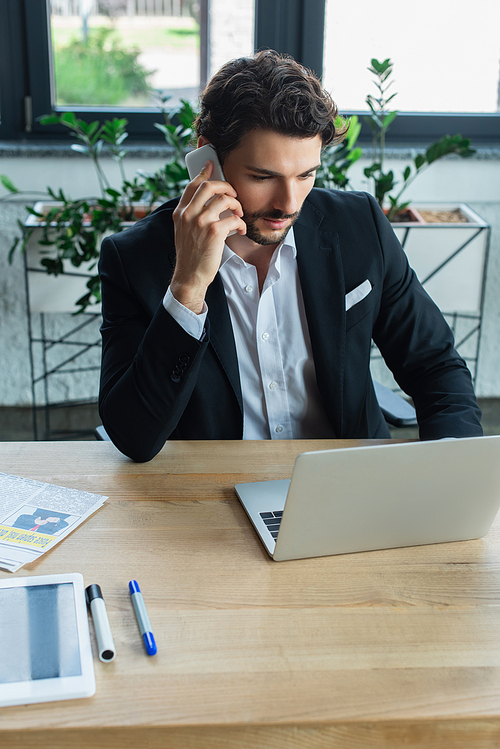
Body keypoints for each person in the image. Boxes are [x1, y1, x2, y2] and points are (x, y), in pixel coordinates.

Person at [98, 50, 482, 462]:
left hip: (348, 481)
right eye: (264, 177)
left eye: (306, 175)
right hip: (214, 491)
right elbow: (133, 437)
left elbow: (435, 364)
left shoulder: (359, 226)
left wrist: (455, 465)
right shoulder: (135, 258)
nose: (289, 203)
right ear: (207, 159)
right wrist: (188, 287)